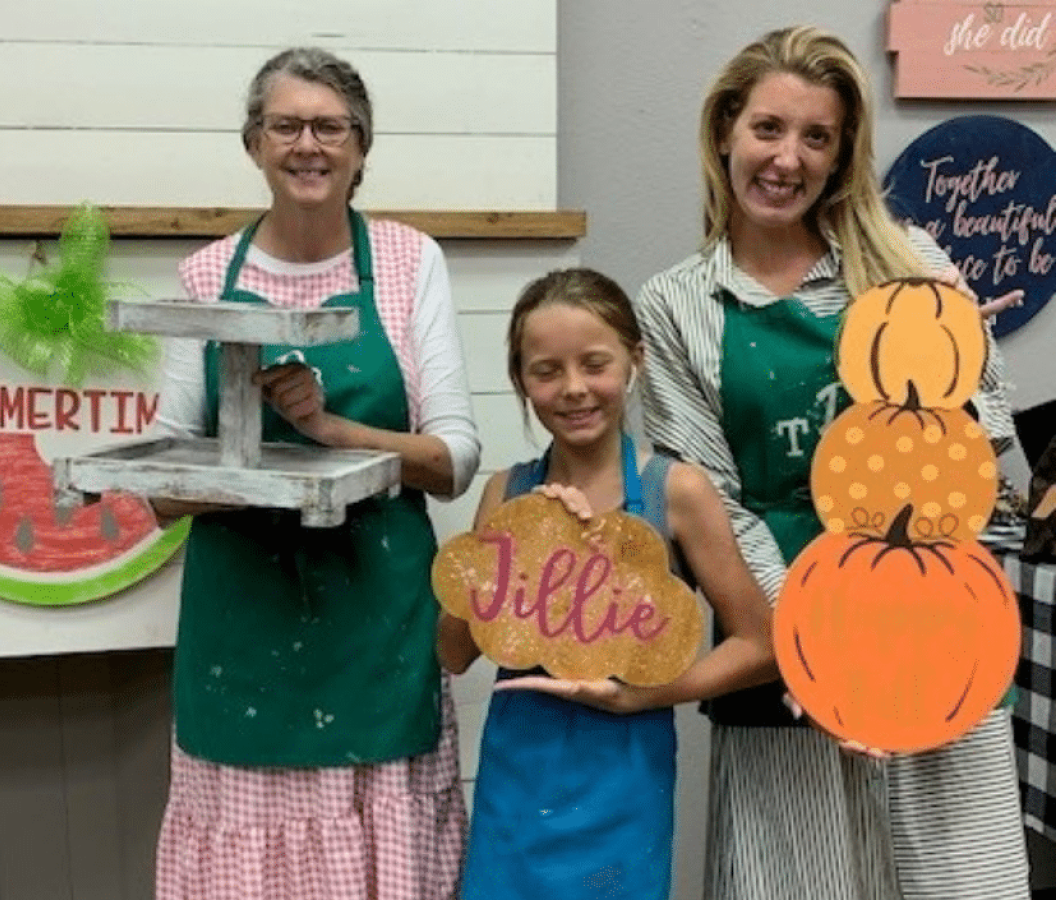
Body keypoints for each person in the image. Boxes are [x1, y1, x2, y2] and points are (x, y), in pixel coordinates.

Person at [635, 25, 1031, 900]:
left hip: (940, 651)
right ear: (725, 132)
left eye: (817, 137)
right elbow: (710, 509)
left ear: (843, 155)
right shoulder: (675, 305)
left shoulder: (911, 265)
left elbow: (980, 438)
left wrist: (897, 658)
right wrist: (829, 658)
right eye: (769, 128)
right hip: (781, 664)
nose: (788, 158)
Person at [150, 47, 479, 900]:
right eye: (285, 125)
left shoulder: (410, 263)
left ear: (361, 148)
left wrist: (329, 429)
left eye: (330, 127)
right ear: (253, 144)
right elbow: (161, 481)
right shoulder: (200, 276)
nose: (308, 145)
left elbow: (453, 461)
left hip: (378, 630)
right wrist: (260, 454)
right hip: (243, 639)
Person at [437, 267, 778, 900]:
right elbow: (454, 652)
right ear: (520, 381)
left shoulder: (677, 492)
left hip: (625, 777)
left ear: (635, 361)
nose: (573, 389)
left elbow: (762, 645)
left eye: (595, 364)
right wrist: (521, 548)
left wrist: (643, 697)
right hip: (517, 780)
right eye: (546, 371)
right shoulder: (504, 491)